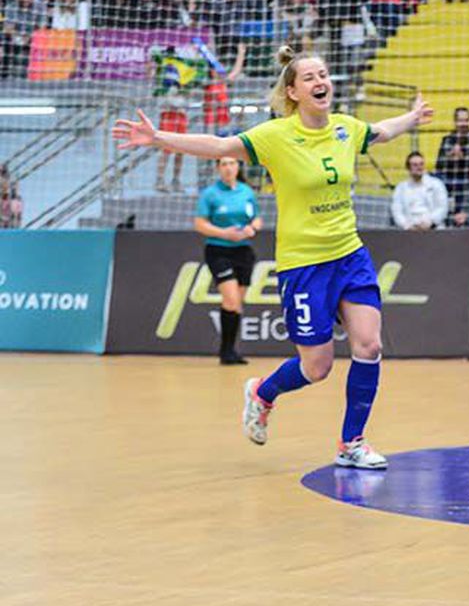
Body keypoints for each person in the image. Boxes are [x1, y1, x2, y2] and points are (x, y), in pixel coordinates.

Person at [113, 45, 434, 469]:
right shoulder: (275, 136)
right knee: (316, 366)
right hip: (303, 265)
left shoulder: (345, 128)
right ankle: (263, 393)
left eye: (324, 74)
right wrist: (159, 139)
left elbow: (382, 132)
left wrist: (412, 117)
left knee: (369, 345)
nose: (321, 82)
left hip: (349, 255)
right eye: (310, 77)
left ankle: (351, 443)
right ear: (293, 91)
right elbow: (219, 144)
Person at [194, 156, 262, 365]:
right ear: (218, 168)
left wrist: (252, 228)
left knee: (236, 304)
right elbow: (200, 224)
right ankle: (225, 351)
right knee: (231, 300)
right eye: (223, 164)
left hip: (243, 250)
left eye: (232, 163)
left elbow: (256, 218)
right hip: (218, 250)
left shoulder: (246, 191)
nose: (228, 168)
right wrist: (224, 233)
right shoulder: (210, 194)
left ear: (238, 166)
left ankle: (230, 350)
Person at [392, 152, 450, 229]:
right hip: (409, 230)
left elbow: (443, 208)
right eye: (415, 165)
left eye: (421, 164)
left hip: (433, 228)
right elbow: (397, 211)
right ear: (408, 168)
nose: (419, 167)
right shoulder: (400, 188)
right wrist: (406, 225)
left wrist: (430, 222)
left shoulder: (437, 184)